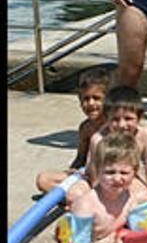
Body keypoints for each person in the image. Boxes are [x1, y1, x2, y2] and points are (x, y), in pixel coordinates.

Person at [35, 68, 111, 203]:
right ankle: (83, 199)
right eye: (85, 99)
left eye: (96, 98)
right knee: (43, 180)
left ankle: (82, 200)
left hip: (110, 178)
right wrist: (73, 170)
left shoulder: (115, 125)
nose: (90, 103)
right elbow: (80, 158)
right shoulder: (85, 128)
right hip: (87, 178)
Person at [84, 86, 147, 200]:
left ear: (140, 117)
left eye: (128, 118)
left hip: (126, 178)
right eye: (115, 119)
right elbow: (95, 178)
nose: (122, 125)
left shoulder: (144, 136)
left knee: (141, 197)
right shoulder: (99, 139)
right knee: (74, 195)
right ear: (107, 118)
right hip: (103, 180)